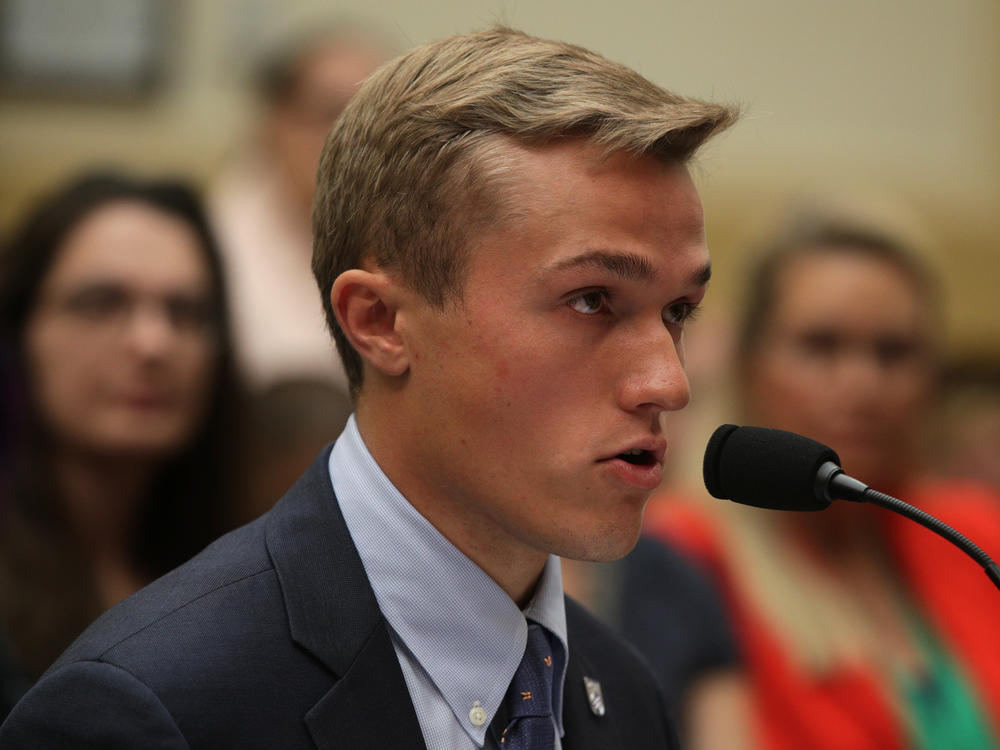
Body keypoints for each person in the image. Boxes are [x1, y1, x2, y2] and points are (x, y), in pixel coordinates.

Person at [1, 28, 737, 748]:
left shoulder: (626, 696)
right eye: (592, 300)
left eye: (678, 311)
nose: (668, 383)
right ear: (381, 321)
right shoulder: (148, 706)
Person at [648, 211, 1000, 750]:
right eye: (821, 345)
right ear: (748, 365)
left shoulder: (971, 533)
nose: (862, 383)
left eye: (893, 352)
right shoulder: (681, 555)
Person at [0, 173, 244, 719]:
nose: (153, 344)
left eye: (186, 313)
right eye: (102, 303)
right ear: (20, 332)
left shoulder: (246, 561)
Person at [209, 22, 389, 391]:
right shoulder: (216, 237)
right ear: (276, 122)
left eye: (373, 118)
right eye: (330, 114)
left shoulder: (408, 228)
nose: (350, 139)